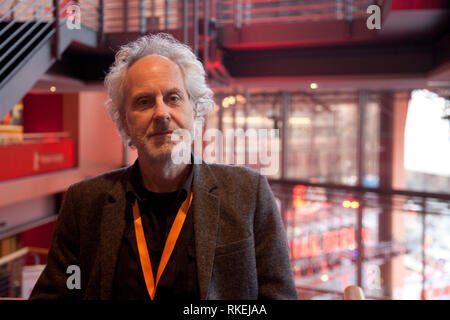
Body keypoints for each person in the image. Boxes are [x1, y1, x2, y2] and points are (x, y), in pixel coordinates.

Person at [30, 33, 297, 300]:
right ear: (125, 122)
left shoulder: (249, 193)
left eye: (173, 98)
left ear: (196, 110)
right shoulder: (84, 203)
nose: (161, 114)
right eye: (143, 102)